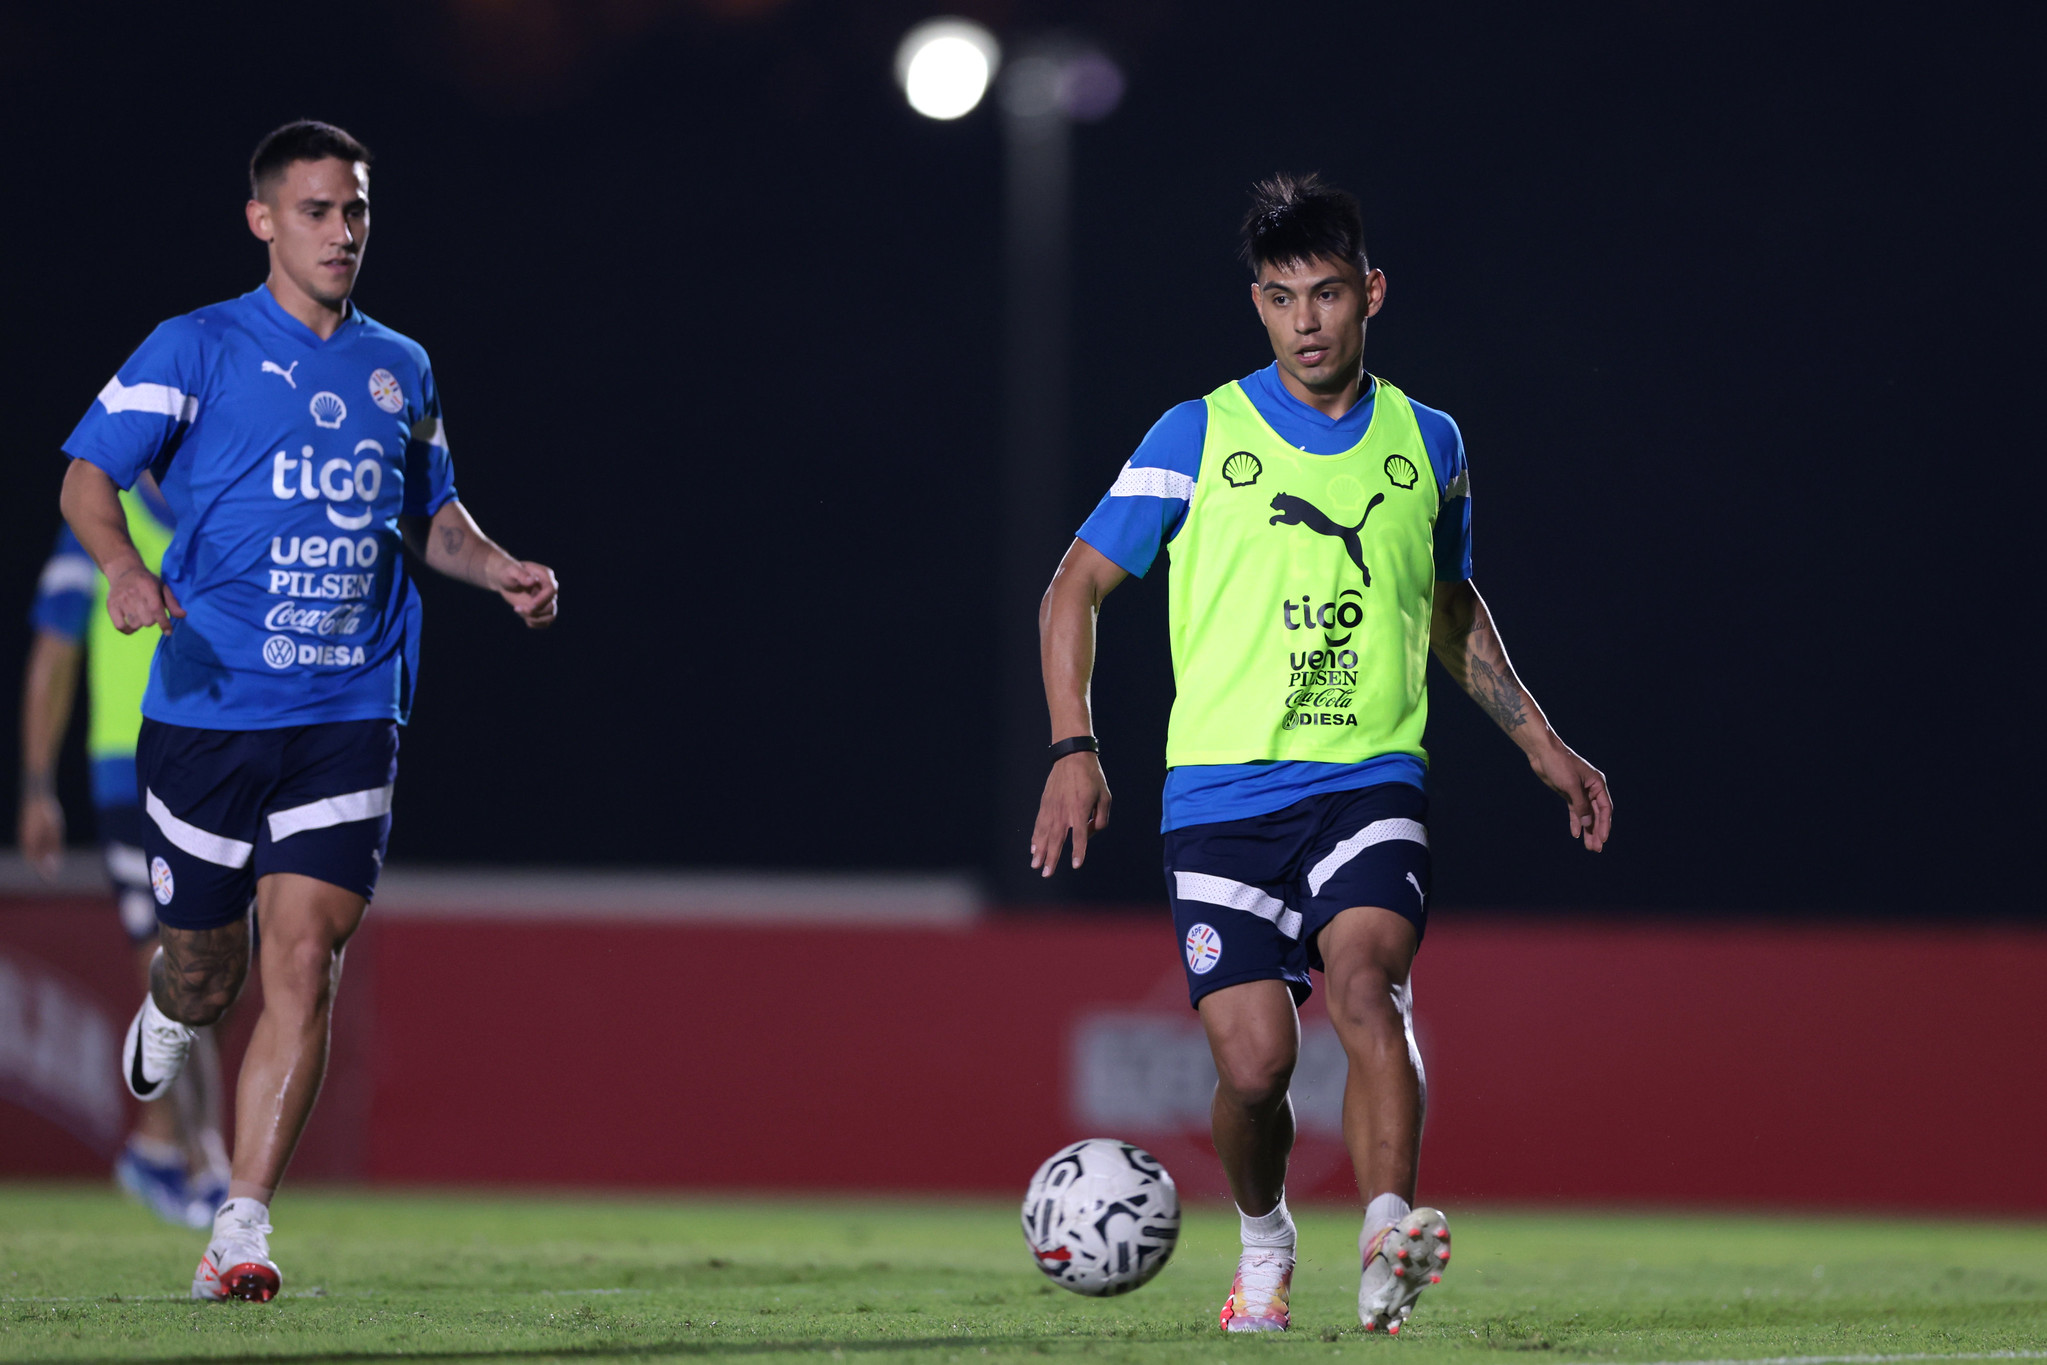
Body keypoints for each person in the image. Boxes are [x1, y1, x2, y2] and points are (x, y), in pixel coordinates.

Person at [1030, 173, 1612, 1335]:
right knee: (1252, 1067)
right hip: (1218, 799)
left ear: (1371, 294)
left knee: (1367, 988)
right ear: (1258, 305)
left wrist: (1539, 740)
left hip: (1368, 781)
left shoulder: (1427, 442)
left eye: (1329, 294)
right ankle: (1264, 1241)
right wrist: (1073, 746)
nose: (1307, 321)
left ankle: (1389, 1234)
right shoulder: (1198, 433)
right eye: (1283, 297)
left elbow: (1446, 604)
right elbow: (1074, 588)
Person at [58, 119, 559, 1302]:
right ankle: (170, 1015)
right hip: (211, 710)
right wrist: (127, 569)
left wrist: (496, 569)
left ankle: (241, 1227)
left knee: (308, 959)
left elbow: (431, 517)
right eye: (320, 211)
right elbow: (86, 476)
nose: (344, 233)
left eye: (358, 211)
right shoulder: (194, 348)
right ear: (264, 220)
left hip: (348, 705)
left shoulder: (403, 365)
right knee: (205, 974)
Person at [18, 481, 231, 1227]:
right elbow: (56, 644)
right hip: (128, 771)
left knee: (214, 970)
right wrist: (39, 784)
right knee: (174, 961)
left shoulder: (223, 505)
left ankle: (155, 1145)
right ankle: (206, 1166)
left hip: (217, 765)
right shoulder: (99, 521)